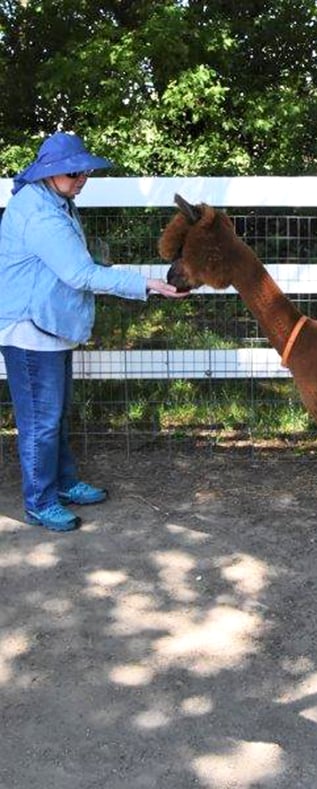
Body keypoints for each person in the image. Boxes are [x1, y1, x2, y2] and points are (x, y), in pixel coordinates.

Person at [0, 131, 188, 532]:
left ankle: (63, 483)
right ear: (50, 173)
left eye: (84, 171)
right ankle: (40, 501)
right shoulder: (40, 213)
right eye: (73, 172)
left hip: (47, 324)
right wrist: (145, 284)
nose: (81, 178)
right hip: (30, 330)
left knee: (55, 415)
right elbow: (78, 273)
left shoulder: (56, 200)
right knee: (41, 422)